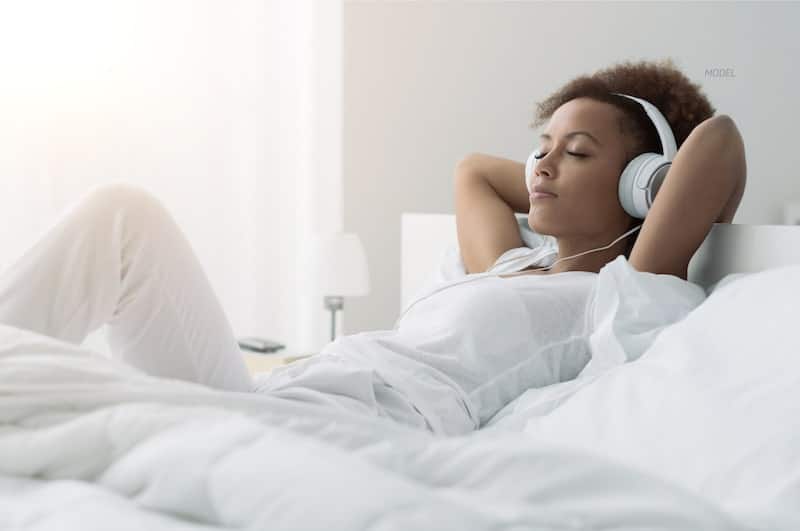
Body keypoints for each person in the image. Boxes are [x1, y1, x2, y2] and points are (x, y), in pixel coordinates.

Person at [0, 59, 746, 435]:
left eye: (576, 152)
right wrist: (563, 176)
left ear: (645, 185)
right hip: (279, 394)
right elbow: (473, 174)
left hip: (327, 427)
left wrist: (644, 191)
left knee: (124, 221)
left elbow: (720, 144)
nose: (540, 166)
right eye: (539, 149)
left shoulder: (619, 297)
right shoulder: (510, 266)